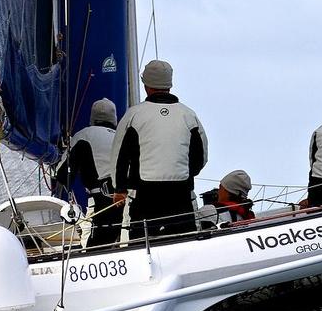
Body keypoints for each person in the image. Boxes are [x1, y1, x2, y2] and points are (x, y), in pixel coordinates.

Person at [110, 60, 208, 239]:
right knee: (185, 242)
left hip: (144, 196)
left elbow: (119, 155)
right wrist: (186, 173)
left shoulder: (134, 115)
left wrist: (119, 189)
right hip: (181, 194)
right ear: (170, 83)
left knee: (142, 245)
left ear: (146, 84)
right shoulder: (188, 115)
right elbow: (201, 157)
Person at [53, 98, 121, 247]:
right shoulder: (122, 136)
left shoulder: (84, 135)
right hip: (129, 202)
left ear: (93, 119)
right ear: (114, 119)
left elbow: (62, 174)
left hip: (102, 205)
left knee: (94, 250)